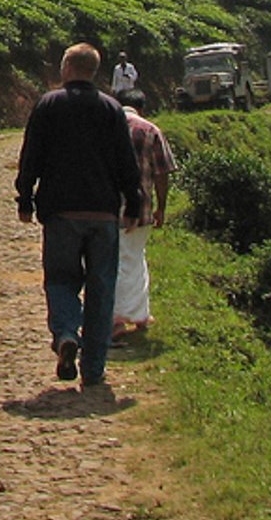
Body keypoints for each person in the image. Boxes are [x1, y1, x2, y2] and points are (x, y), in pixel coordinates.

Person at [16, 43, 143, 388]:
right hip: (102, 212)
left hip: (60, 212)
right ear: (95, 71)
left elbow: (32, 155)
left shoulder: (48, 105)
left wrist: (25, 197)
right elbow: (125, 162)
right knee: (102, 287)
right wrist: (134, 202)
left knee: (60, 279)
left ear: (67, 68)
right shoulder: (112, 109)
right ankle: (94, 368)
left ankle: (67, 331)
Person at [112, 100, 176, 343]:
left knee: (115, 261)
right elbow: (162, 173)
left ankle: (133, 313)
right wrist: (162, 207)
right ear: (141, 108)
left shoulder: (106, 126)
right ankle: (123, 317)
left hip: (105, 208)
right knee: (133, 258)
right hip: (141, 208)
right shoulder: (150, 131)